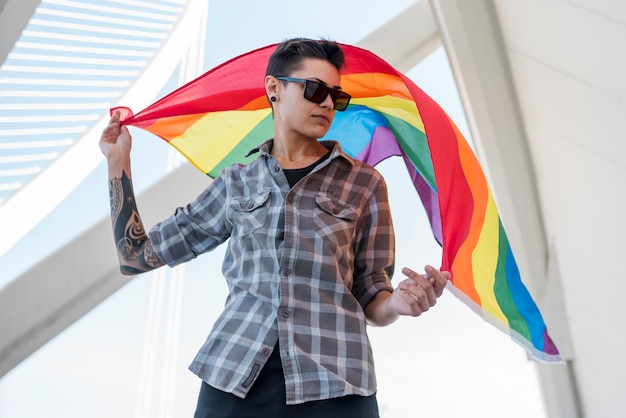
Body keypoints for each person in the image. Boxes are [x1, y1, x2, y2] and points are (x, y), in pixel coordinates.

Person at [100, 38, 449, 418]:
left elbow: (371, 296)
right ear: (273, 89)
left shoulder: (365, 184)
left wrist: (397, 303)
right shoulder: (236, 183)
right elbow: (135, 256)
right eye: (315, 90)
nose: (328, 103)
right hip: (233, 381)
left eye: (336, 96)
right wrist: (117, 163)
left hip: (337, 388)